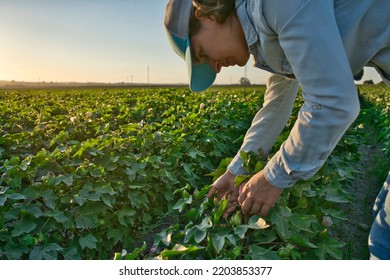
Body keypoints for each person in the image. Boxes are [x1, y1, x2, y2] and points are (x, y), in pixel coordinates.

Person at [164, 0, 390, 259]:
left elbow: (334, 103)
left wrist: (273, 177)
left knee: (384, 242)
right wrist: (236, 170)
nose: (215, 67)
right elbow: (277, 105)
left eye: (203, 54)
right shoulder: (267, 28)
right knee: (380, 213)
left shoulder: (275, 4)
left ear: (205, 13)